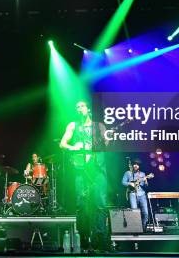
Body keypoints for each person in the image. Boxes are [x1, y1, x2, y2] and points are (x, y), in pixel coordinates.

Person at [60, 100, 109, 251]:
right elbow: (62, 144)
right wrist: (74, 147)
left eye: (81, 106)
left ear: (88, 109)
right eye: (77, 107)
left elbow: (106, 143)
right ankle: (85, 241)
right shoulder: (73, 125)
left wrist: (98, 144)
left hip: (97, 170)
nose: (79, 108)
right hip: (81, 170)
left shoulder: (99, 126)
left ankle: (99, 242)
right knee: (81, 205)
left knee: (100, 204)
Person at [121, 159, 149, 231]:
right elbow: (123, 182)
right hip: (132, 194)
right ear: (132, 165)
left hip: (142, 194)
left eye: (137, 164)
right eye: (135, 164)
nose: (136, 165)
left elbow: (145, 186)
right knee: (134, 212)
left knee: (145, 213)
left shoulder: (142, 174)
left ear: (139, 166)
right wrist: (130, 183)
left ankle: (143, 228)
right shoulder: (128, 173)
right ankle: (136, 229)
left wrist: (146, 182)